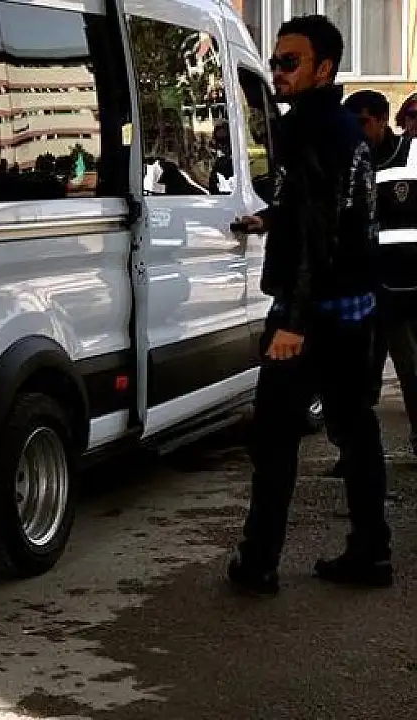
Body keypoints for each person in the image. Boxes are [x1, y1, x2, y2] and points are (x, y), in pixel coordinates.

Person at [228, 15, 392, 596]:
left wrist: (293, 323)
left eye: (289, 62)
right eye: (275, 61)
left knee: (274, 439)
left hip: (313, 311)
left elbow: (319, 231)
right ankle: (371, 553)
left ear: (324, 68)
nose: (277, 71)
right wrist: (269, 218)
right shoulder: (344, 128)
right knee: (356, 430)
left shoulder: (309, 128)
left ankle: (258, 562)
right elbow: (323, 208)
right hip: (353, 307)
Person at [331, 91, 417, 473]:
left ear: (383, 120)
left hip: (406, 289)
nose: (357, 130)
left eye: (364, 122)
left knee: (412, 371)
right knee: (356, 379)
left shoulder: (411, 156)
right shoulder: (347, 161)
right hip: (360, 288)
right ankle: (353, 452)